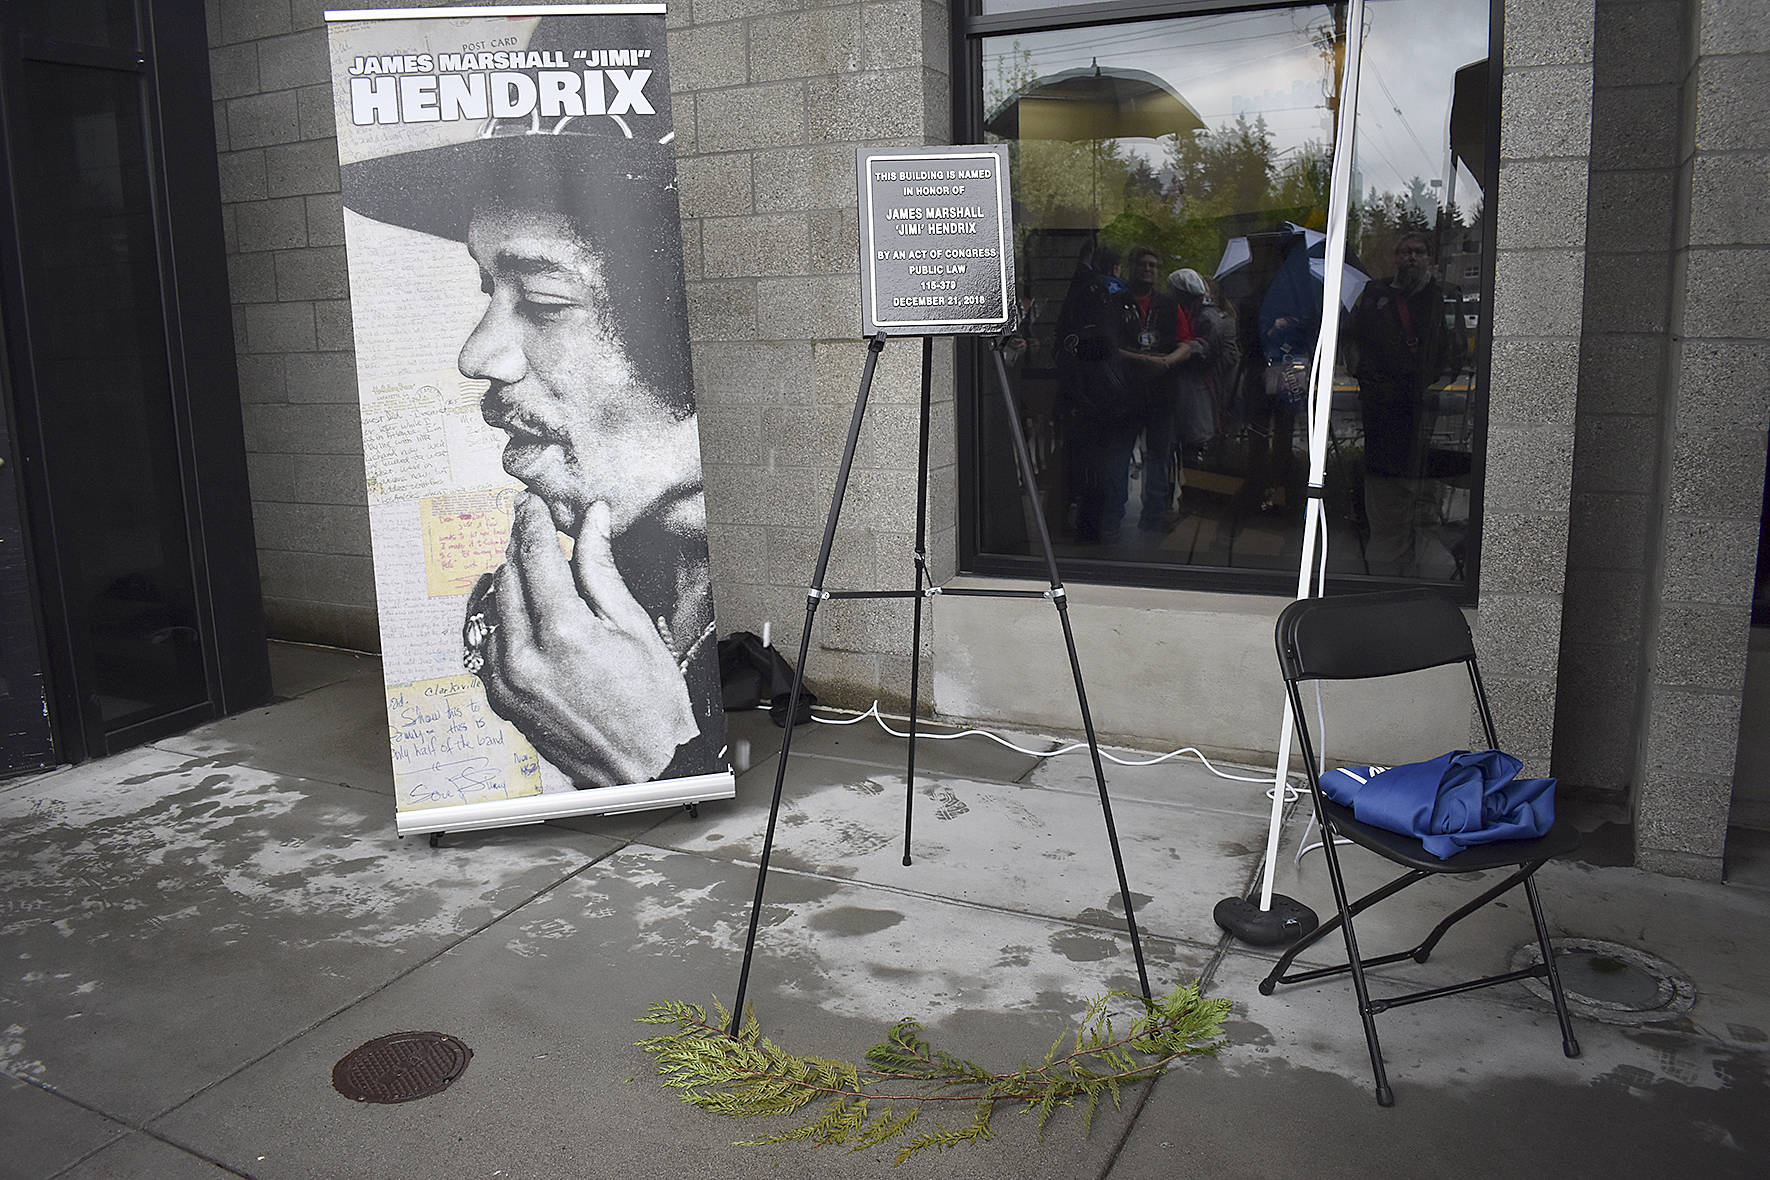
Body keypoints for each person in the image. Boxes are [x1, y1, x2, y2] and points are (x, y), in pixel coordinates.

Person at [340, 17, 721, 788]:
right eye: (489, 289)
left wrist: (656, 766)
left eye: (545, 300)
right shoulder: (562, 609)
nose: (478, 356)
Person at [1345, 231, 1465, 576]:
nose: (1410, 257)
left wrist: (1432, 386)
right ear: (1394, 258)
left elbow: (1454, 354)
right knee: (1385, 513)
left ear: (1430, 258)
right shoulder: (1373, 295)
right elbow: (1352, 341)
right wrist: (1367, 379)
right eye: (1403, 251)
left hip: (1422, 414)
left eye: (1418, 251)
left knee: (1423, 511)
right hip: (1380, 415)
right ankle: (1383, 582)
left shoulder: (1442, 297)